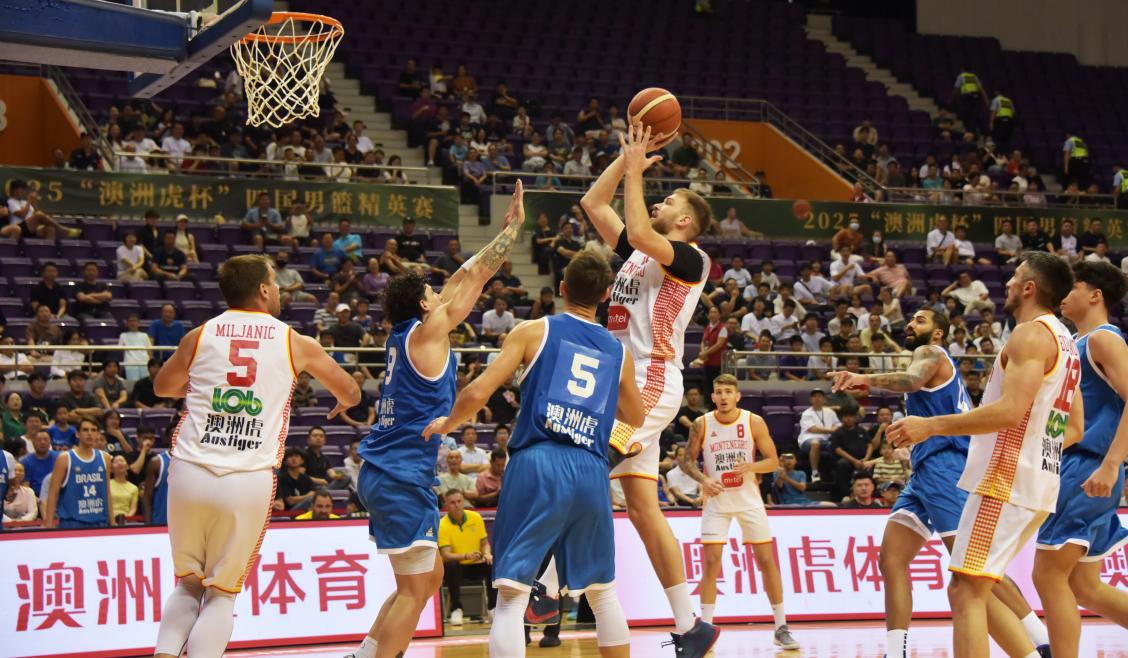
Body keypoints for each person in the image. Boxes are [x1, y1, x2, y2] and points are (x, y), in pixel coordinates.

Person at [421, 249, 644, 658]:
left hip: (538, 461)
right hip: (591, 467)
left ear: (562, 289)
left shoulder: (533, 330)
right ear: (606, 295)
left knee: (512, 596)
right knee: (603, 593)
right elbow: (636, 415)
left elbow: (477, 391)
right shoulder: (619, 353)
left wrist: (447, 424)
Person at [344, 183, 526, 658]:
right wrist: (513, 232)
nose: (440, 294)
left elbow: (462, 275)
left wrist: (498, 236)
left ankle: (364, 654)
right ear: (426, 306)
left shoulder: (408, 333)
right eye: (432, 292)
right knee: (414, 589)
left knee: (426, 580)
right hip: (399, 476)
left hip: (388, 471)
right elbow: (476, 277)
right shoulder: (428, 335)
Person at [148, 255, 360, 658]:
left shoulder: (199, 335)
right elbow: (350, 391)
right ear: (263, 289)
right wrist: (341, 401)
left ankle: (164, 652)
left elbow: (162, 386)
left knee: (188, 582)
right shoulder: (295, 341)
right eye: (275, 282)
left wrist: (204, 388)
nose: (278, 288)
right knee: (222, 593)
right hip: (247, 476)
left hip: (190, 470)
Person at [888, 252, 1083, 658]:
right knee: (972, 585)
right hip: (1038, 480)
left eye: (1014, 277)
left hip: (1005, 480)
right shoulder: (1066, 342)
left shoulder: (1030, 335)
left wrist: (931, 425)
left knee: (965, 590)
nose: (1007, 283)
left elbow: (1010, 412)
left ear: (1029, 288)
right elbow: (1074, 428)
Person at [831, 307, 1052, 658]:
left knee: (974, 572)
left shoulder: (930, 352)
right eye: (911, 319)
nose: (910, 324)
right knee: (891, 559)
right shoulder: (935, 364)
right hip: (925, 472)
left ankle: (1041, 643)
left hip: (946, 468)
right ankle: (896, 652)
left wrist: (864, 378)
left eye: (920, 320)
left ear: (938, 333)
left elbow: (911, 380)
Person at [577, 123, 718, 655]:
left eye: (670, 200)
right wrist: (626, 157)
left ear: (684, 222)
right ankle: (691, 626)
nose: (659, 201)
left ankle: (545, 582)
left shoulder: (691, 258)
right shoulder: (641, 254)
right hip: (621, 382)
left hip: (651, 381)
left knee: (585, 463)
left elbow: (637, 230)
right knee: (642, 508)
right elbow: (594, 203)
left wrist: (637, 172)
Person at [1034, 261, 1128, 657]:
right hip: (1075, 466)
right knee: (1084, 586)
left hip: (1090, 466)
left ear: (1095, 295)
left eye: (1073, 286)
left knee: (1047, 576)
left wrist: (1111, 464)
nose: (1064, 294)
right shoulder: (1074, 342)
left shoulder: (1104, 340)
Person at [678, 374, 799, 649]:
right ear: (713, 397)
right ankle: (705, 630)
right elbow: (687, 461)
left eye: (728, 392)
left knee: (766, 561)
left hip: (749, 500)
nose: (723, 396)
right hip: (716, 501)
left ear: (737, 396)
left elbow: (773, 461)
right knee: (711, 563)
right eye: (718, 392)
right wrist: (704, 480)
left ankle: (781, 627)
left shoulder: (753, 421)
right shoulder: (701, 423)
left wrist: (751, 467)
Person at [437, 488, 496, 625]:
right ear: (446, 505)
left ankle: (493, 608)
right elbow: (446, 555)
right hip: (456, 567)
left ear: (464, 502)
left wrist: (487, 553)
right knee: (451, 566)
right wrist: (466, 555)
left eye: (459, 501)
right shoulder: (442, 525)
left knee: (491, 563)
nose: (456, 505)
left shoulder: (476, 517)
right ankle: (456, 609)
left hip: (476, 565)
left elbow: (485, 543)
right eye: (452, 502)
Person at [43, 418, 112, 528]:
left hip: (99, 521)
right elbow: (53, 493)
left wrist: (112, 521)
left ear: (98, 434)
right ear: (77, 434)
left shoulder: (105, 458)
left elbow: (107, 491)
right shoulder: (64, 458)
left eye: (93, 430)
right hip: (72, 523)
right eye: (85, 430)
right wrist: (49, 524)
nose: (89, 433)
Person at [797, 389, 839, 483]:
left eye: (819, 396)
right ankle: (815, 473)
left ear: (824, 399)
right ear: (811, 400)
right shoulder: (806, 413)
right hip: (808, 439)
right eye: (814, 396)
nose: (817, 398)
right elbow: (812, 429)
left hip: (826, 439)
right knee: (815, 443)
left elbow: (837, 425)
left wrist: (834, 429)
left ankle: (836, 472)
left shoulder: (830, 412)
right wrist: (831, 430)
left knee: (837, 445)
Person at [142, 448, 171, 525]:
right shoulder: (157, 462)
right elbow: (147, 498)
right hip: (161, 524)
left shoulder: (195, 462)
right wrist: (148, 528)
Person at [108, 454, 139, 524]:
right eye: (116, 462)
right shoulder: (107, 484)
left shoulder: (134, 488)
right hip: (109, 520)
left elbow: (133, 509)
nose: (119, 463)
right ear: (111, 469)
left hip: (126, 520)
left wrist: (126, 519)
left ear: (127, 466)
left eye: (122, 461)